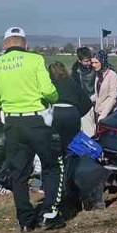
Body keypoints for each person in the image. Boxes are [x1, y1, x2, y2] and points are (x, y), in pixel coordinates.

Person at [0, 26, 62, 231]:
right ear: (26, 45)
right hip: (37, 120)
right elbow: (48, 90)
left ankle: (25, 220)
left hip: (13, 123)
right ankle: (50, 213)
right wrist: (53, 98)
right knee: (51, 166)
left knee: (18, 173)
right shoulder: (34, 60)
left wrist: (6, 102)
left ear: (4, 45)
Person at [48, 60, 93, 213]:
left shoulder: (49, 84)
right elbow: (87, 102)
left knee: (55, 150)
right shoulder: (72, 83)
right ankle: (72, 180)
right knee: (71, 149)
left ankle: (58, 182)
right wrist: (77, 113)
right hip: (72, 114)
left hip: (55, 113)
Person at [89, 50, 117, 128]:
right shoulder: (98, 74)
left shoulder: (112, 75)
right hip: (98, 111)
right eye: (92, 62)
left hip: (108, 114)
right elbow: (98, 94)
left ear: (102, 62)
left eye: (96, 62)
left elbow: (112, 98)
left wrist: (103, 115)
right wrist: (87, 101)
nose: (93, 65)